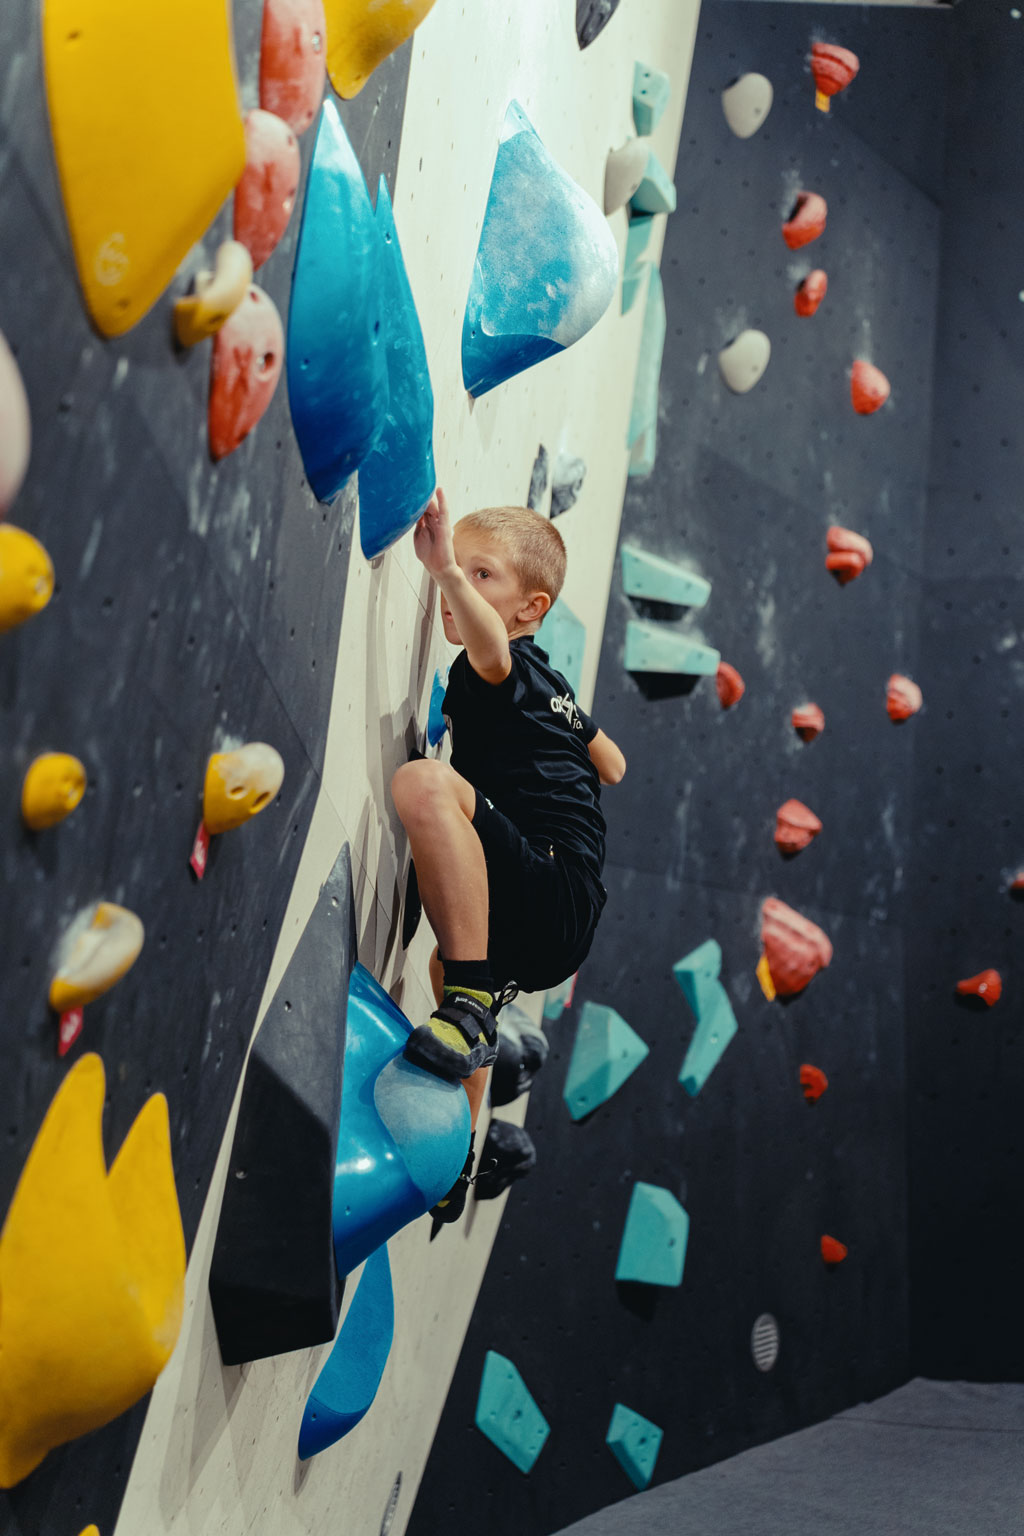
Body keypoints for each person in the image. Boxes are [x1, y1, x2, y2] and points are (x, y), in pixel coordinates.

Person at [391, 488, 626, 1138]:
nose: (458, 584)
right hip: (564, 913)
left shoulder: (500, 667)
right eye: (459, 568)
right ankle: (459, 1148)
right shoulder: (552, 685)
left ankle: (469, 1003)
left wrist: (440, 567)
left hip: (552, 881)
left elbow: (490, 650)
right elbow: (615, 765)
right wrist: (571, 733)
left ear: (532, 608)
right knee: (451, 956)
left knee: (425, 788)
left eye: (480, 574)